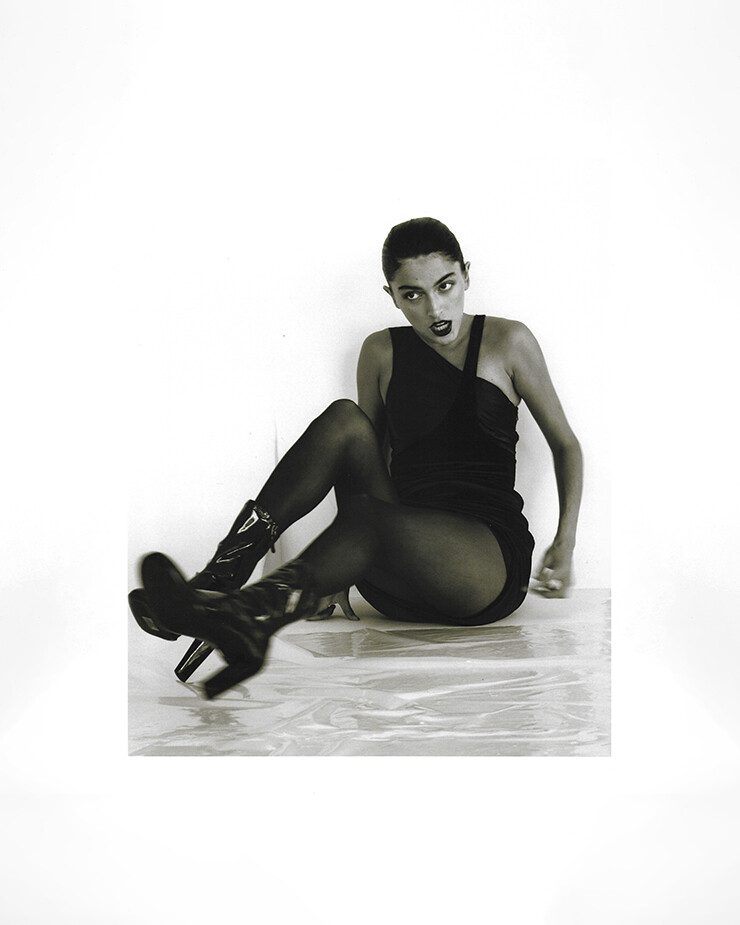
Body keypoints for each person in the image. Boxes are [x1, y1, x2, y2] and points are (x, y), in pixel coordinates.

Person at [130, 217, 583, 699]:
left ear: (466, 275)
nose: (434, 308)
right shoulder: (381, 351)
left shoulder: (509, 342)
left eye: (445, 285)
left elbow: (566, 445)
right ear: (391, 295)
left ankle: (246, 616)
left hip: (480, 568)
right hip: (393, 568)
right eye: (412, 294)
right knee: (345, 419)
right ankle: (220, 580)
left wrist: (565, 542)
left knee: (368, 514)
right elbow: (365, 459)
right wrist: (339, 562)